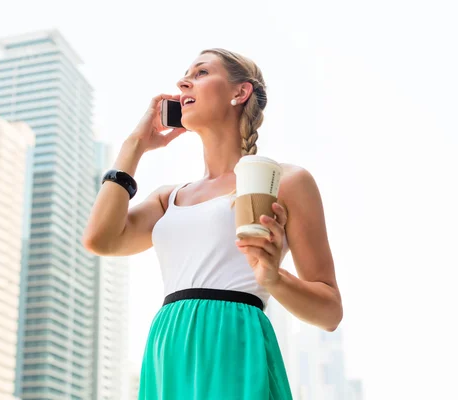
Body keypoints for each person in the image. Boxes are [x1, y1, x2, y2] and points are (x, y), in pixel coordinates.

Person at [82, 48, 343, 400]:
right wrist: (135, 146)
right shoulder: (168, 198)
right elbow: (100, 239)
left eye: (202, 72)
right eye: (185, 74)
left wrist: (273, 277)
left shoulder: (286, 181)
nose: (183, 81)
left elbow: (330, 311)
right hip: (168, 347)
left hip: (234, 342)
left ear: (240, 92)